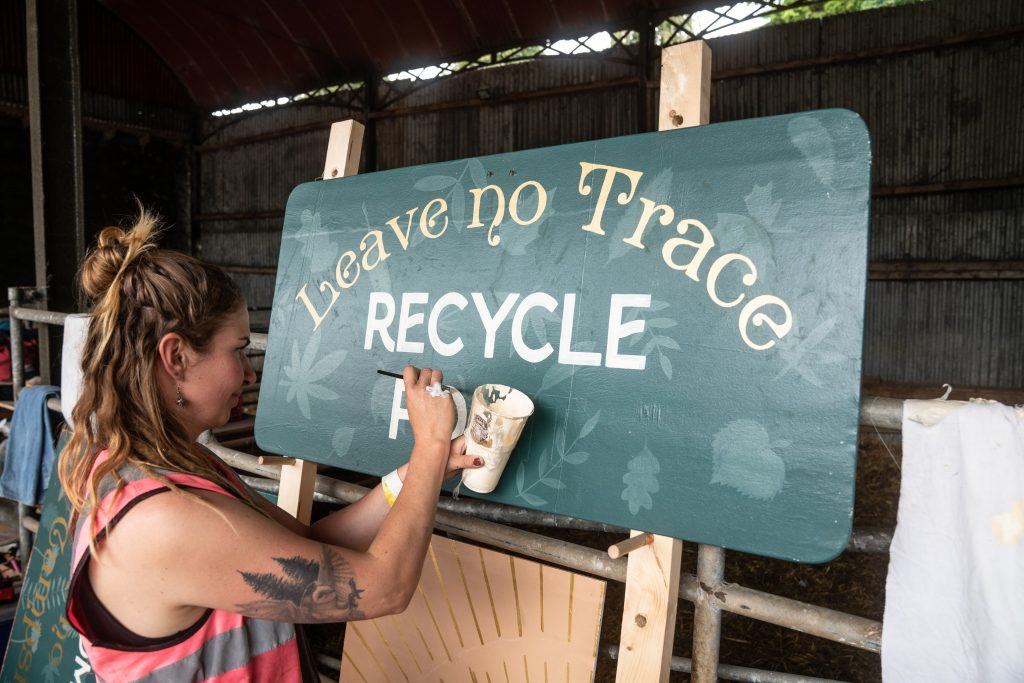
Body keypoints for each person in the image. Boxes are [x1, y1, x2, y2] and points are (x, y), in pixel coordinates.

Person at [59, 209, 481, 681]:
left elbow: (309, 545)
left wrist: (414, 475)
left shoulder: (166, 463)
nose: (249, 372)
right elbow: (383, 589)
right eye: (237, 350)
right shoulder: (163, 519)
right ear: (176, 357)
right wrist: (427, 450)